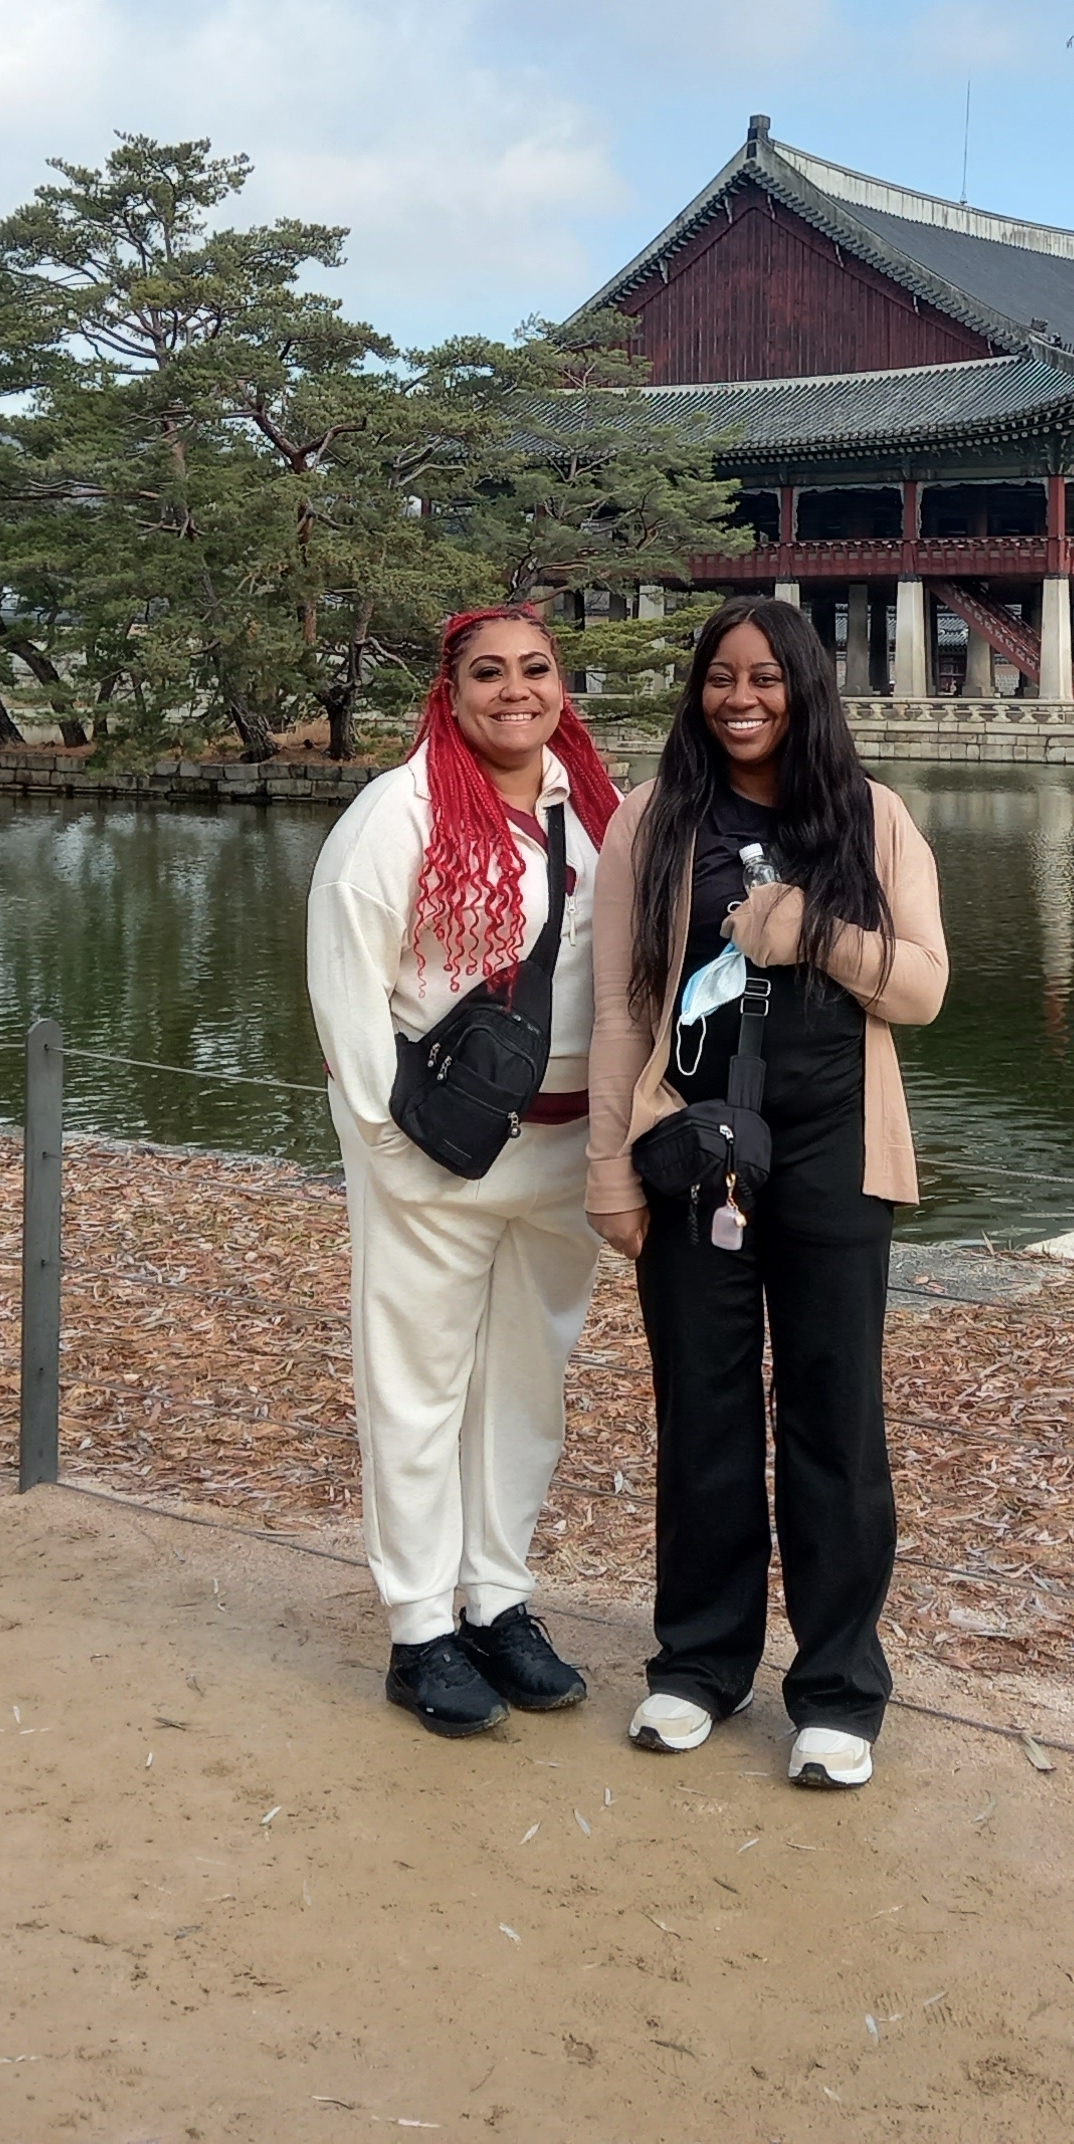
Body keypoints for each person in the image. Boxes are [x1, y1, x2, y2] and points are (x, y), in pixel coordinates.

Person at [587, 597, 946, 1791]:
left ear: (806, 688)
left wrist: (813, 934)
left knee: (834, 1417)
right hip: (691, 1148)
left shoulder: (870, 816)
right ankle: (699, 1664)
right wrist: (609, 1169)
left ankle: (837, 1688)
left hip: (838, 1146)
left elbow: (923, 989)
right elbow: (620, 1007)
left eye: (766, 678)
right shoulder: (652, 819)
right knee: (702, 1407)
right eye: (719, 678)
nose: (740, 699)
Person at [305, 604, 622, 1738]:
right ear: (449, 691)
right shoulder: (398, 815)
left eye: (535, 668)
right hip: (438, 1152)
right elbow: (348, 997)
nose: (514, 690)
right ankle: (418, 1626)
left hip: (565, 1149)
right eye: (488, 673)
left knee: (526, 1388)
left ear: (561, 684)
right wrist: (388, 1148)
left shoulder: (596, 807)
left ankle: (495, 1599)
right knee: (418, 1386)